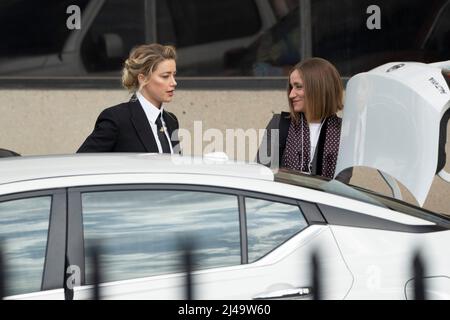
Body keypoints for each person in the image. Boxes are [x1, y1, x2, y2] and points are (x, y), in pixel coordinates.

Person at [257, 57, 351, 182]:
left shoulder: (344, 131)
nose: (291, 94)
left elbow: (341, 184)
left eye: (298, 87)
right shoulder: (280, 124)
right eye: (291, 87)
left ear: (318, 88)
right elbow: (262, 173)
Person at [77, 43, 179, 153]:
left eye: (174, 75)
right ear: (143, 79)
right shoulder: (116, 119)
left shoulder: (171, 121)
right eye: (165, 76)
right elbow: (81, 162)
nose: (174, 82)